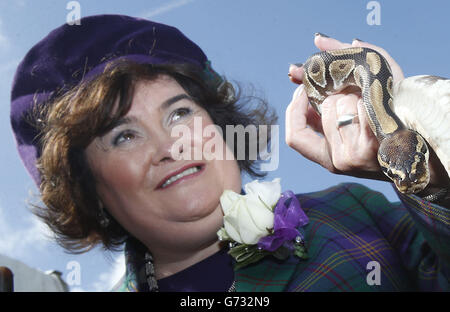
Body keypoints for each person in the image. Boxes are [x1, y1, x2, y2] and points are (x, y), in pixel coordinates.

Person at [10, 14, 449, 292]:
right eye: (123, 135)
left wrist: (429, 164)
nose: (171, 145)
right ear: (89, 188)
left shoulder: (355, 212)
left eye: (179, 113)